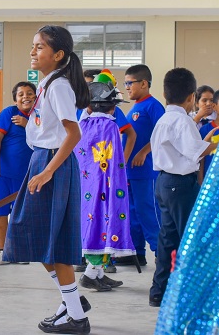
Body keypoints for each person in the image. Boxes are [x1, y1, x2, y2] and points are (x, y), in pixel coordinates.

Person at [3, 25, 91, 334]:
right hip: (42, 159)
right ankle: (73, 300)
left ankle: (77, 317)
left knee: (53, 241)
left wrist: (48, 170)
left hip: (54, 162)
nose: (33, 51)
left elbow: (73, 133)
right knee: (34, 236)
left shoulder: (59, 87)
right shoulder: (46, 84)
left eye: (40, 47)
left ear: (58, 55)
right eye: (33, 45)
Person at [148, 68, 218, 308]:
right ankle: (193, 292)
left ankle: (159, 290)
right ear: (191, 98)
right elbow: (196, 151)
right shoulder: (182, 121)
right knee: (190, 237)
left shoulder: (165, 119)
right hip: (180, 185)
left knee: (168, 239)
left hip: (165, 183)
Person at [75, 81, 134, 292]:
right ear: (112, 107)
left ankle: (99, 274)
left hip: (87, 185)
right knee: (107, 222)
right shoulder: (110, 126)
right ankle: (91, 273)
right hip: (106, 184)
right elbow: (112, 159)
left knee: (94, 222)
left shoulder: (82, 124)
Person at [120, 64, 165, 267]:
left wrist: (144, 151)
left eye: (130, 83)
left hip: (145, 170)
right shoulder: (135, 107)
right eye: (126, 83)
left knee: (148, 211)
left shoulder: (153, 106)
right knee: (133, 211)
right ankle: (136, 253)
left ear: (144, 83)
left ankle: (160, 252)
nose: (127, 87)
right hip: (130, 171)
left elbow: (162, 133)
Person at [0, 81, 36, 266]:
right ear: (15, 99)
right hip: (4, 173)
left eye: (30, 93)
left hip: (27, 176)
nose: (26, 96)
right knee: (0, 212)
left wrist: (28, 124)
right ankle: (3, 251)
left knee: (22, 214)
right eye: (21, 94)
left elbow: (45, 136)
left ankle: (20, 251)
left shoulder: (38, 116)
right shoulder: (9, 113)